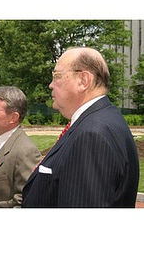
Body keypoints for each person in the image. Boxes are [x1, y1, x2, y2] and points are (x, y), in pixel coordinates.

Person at [22, 47, 139, 208]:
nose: (50, 85)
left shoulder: (92, 135)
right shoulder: (102, 119)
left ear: (83, 81)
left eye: (57, 76)